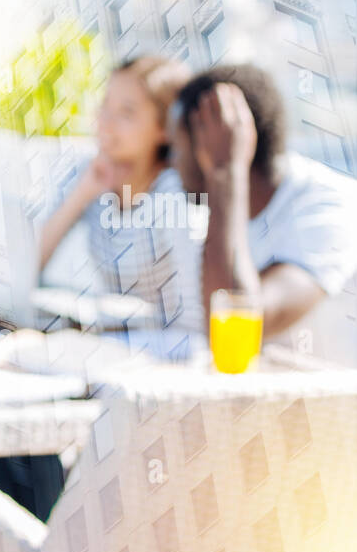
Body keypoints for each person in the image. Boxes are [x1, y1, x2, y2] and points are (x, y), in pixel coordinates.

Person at [168, 63, 357, 363]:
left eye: (176, 149)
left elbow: (237, 334)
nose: (172, 163)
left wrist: (224, 173)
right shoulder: (221, 210)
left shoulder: (329, 209)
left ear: (214, 146)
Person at [38, 54, 194, 327]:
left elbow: (194, 314)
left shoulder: (175, 192)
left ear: (164, 128)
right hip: (113, 336)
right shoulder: (88, 172)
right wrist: (82, 194)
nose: (106, 122)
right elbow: (29, 263)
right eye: (105, 106)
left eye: (127, 112)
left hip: (168, 347)